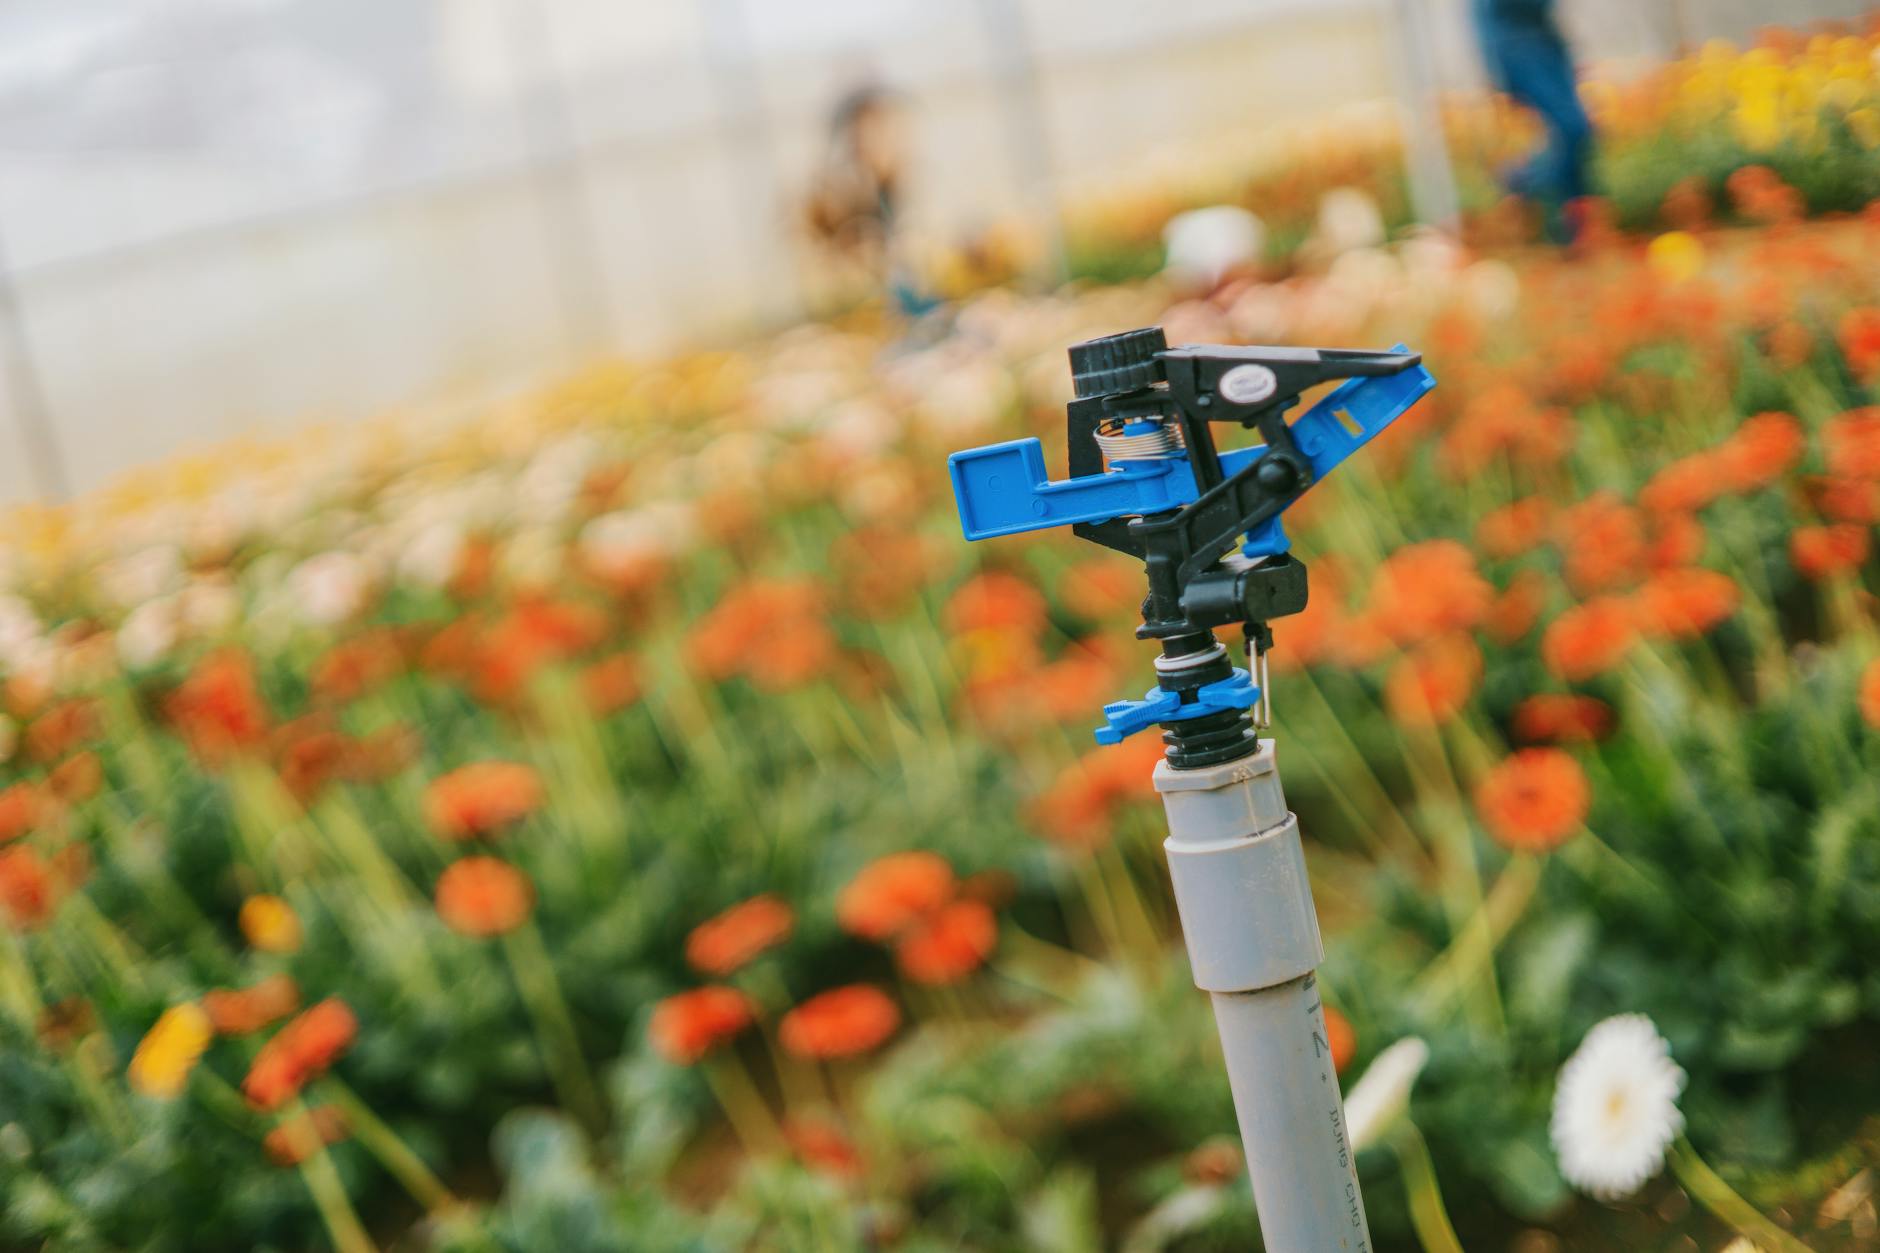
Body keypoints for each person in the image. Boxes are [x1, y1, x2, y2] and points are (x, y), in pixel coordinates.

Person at [804, 82, 935, 316]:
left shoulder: (899, 183)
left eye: (887, 130)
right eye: (864, 132)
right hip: (868, 307)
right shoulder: (847, 191)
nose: (886, 140)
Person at [1473, 0, 1594, 243]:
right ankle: (1522, 181)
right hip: (1519, 49)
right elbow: (1487, 18)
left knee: (1572, 133)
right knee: (1573, 128)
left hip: (1544, 44)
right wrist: (1500, 72)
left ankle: (1571, 228)